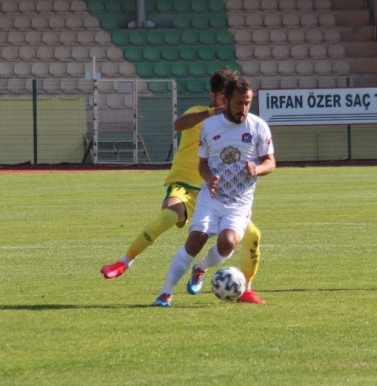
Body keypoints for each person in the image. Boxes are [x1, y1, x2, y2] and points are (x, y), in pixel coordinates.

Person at [100, 69, 266, 304]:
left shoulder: (240, 124)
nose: (225, 103)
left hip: (220, 194)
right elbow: (179, 124)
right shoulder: (199, 114)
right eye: (221, 97)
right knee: (169, 215)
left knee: (252, 235)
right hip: (185, 187)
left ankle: (246, 288)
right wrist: (209, 113)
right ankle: (124, 261)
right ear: (215, 97)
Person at [153, 75, 275, 307]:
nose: (244, 108)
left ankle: (201, 268)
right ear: (226, 101)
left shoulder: (258, 126)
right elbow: (202, 164)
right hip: (211, 196)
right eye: (239, 102)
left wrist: (257, 169)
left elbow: (271, 162)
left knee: (228, 242)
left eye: (248, 102)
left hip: (240, 201)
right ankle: (165, 293)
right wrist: (210, 178)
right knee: (195, 239)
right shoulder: (209, 126)